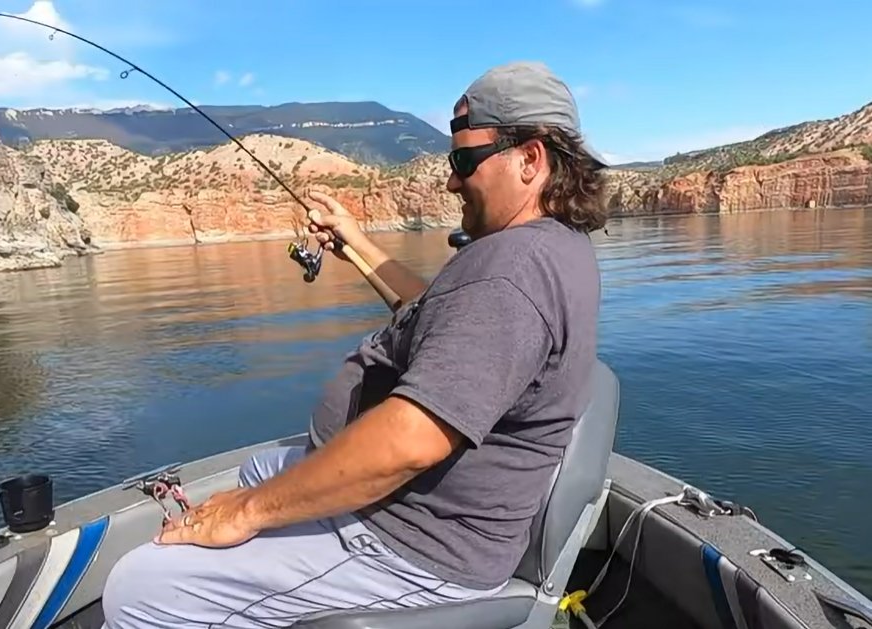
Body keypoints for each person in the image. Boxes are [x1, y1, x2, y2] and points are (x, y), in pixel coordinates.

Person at [102, 60, 609, 629]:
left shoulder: (511, 271)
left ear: (530, 159)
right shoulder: (549, 248)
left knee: (139, 589)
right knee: (258, 469)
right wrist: (358, 244)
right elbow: (441, 319)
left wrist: (244, 515)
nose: (450, 180)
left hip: (415, 545)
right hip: (425, 513)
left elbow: (410, 442)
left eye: (464, 161)